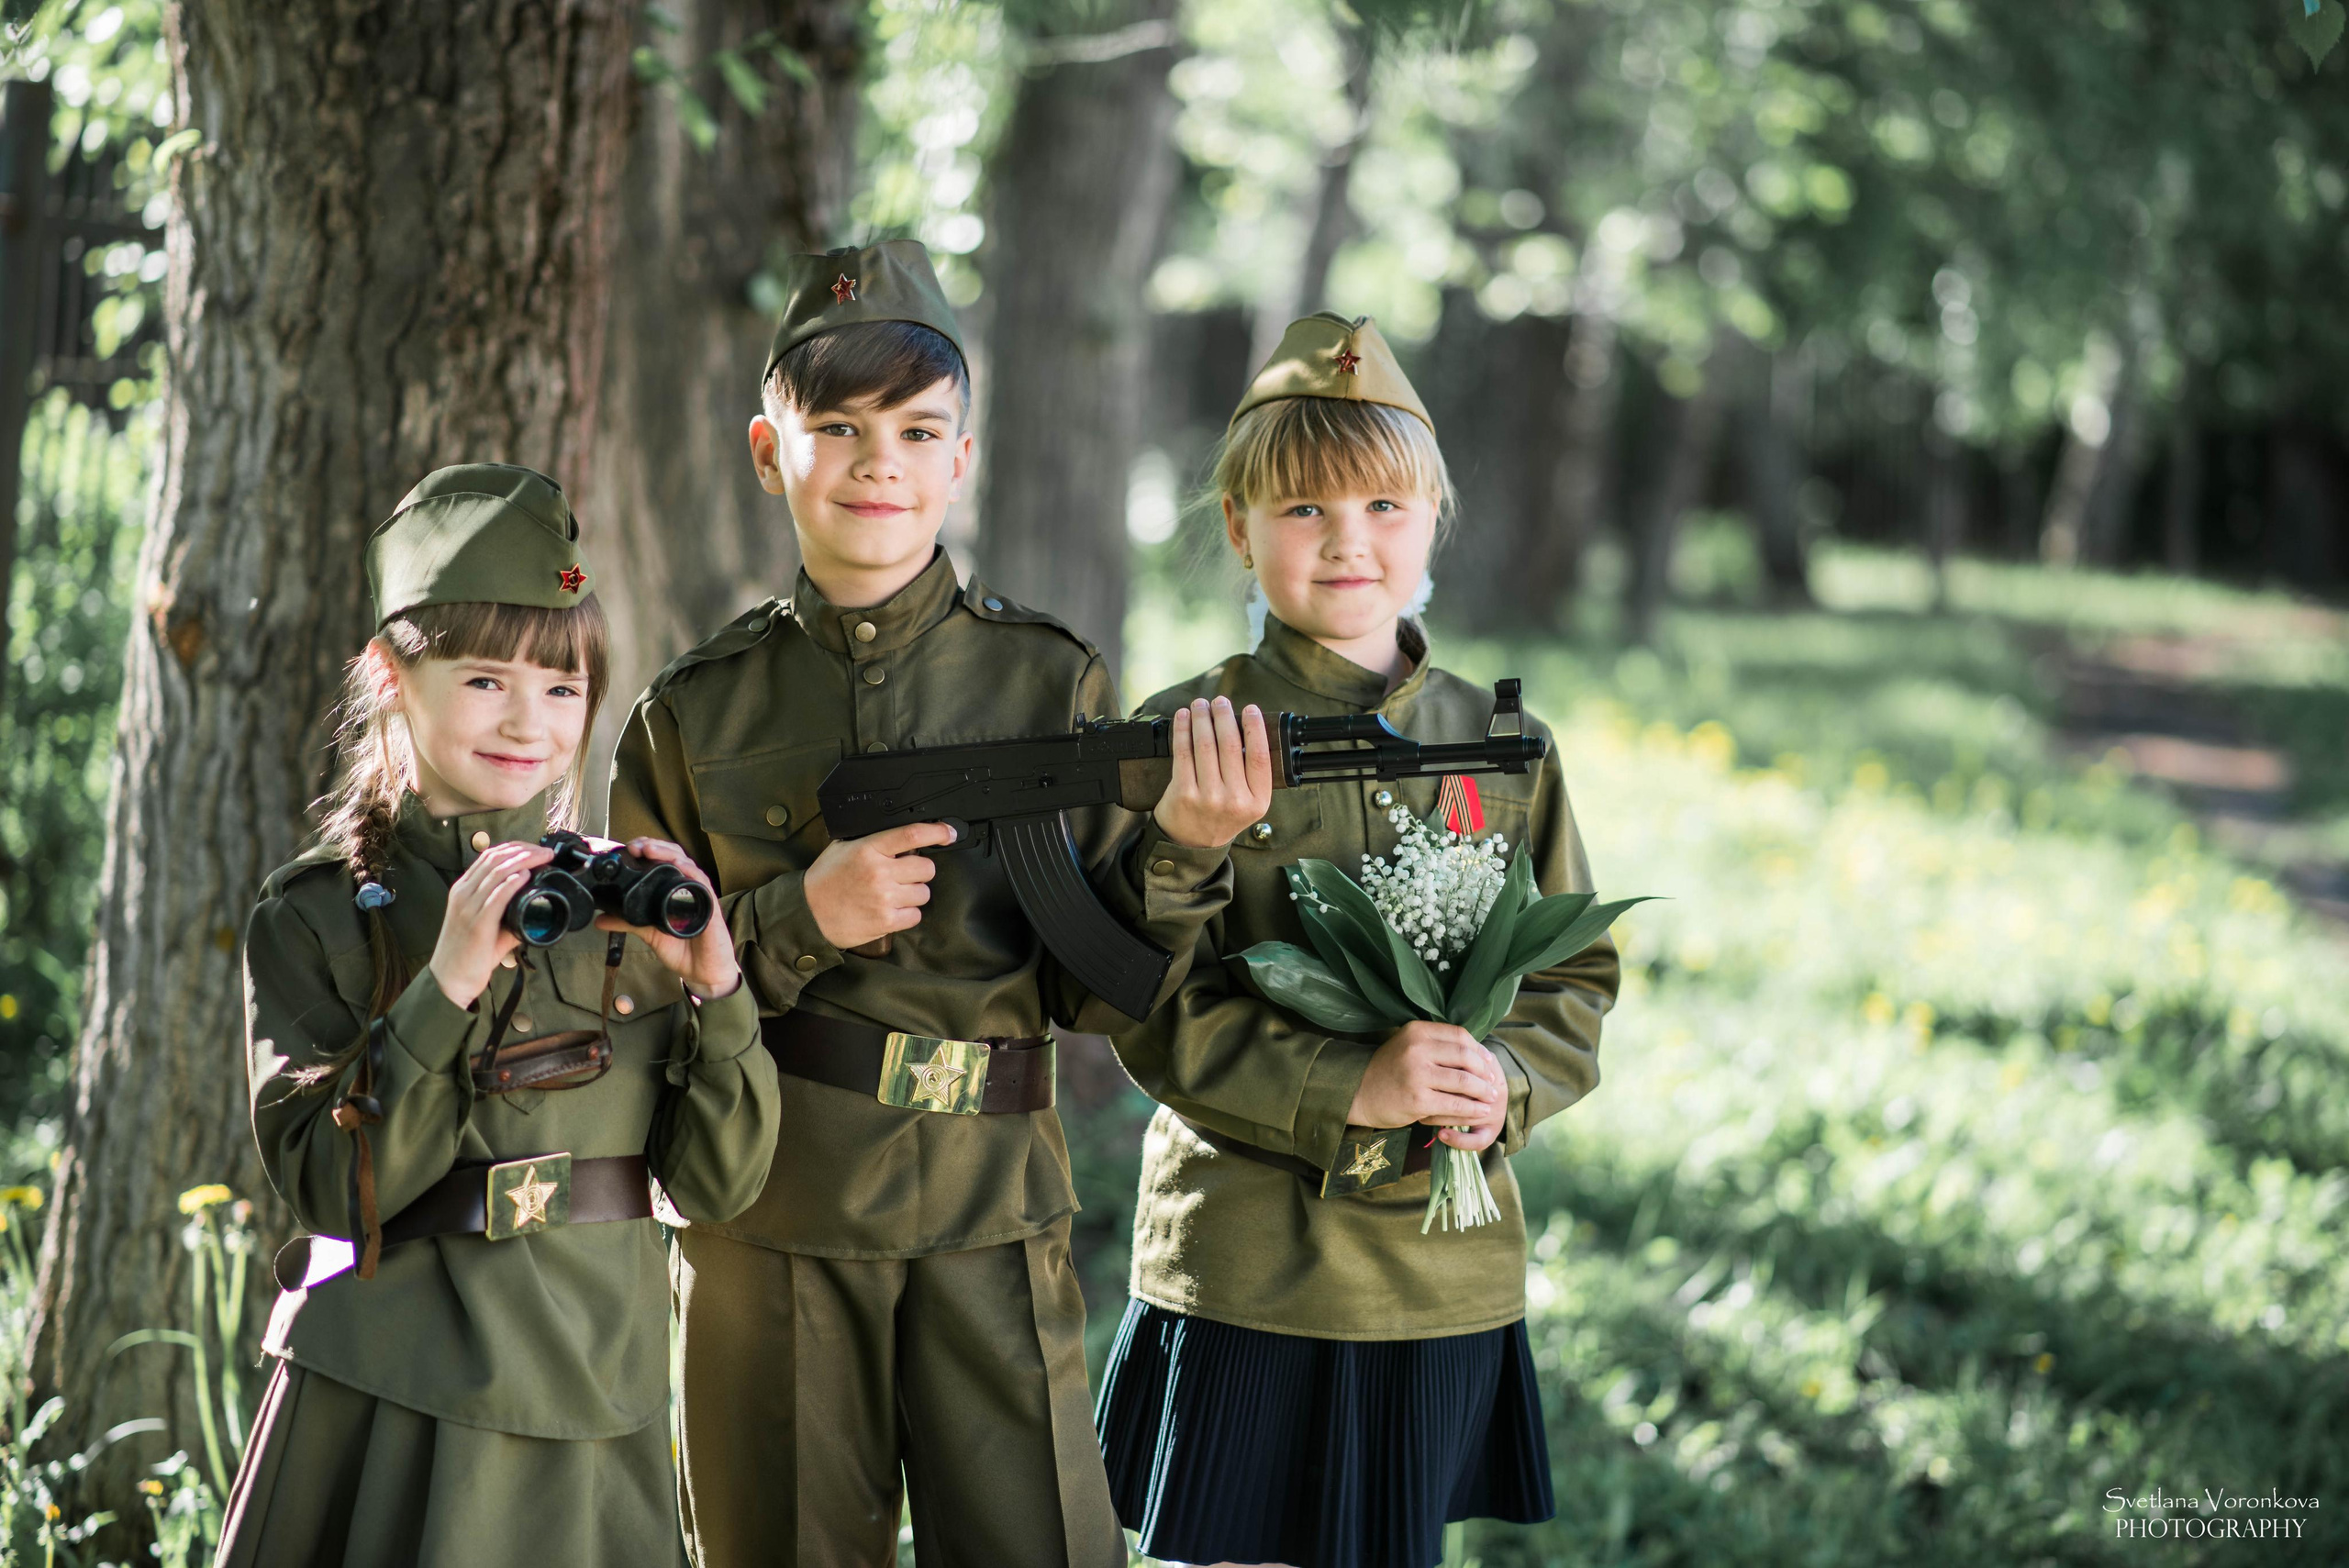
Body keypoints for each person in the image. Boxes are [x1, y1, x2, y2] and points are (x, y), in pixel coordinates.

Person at [605, 239, 1274, 1568]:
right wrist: (802, 916)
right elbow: (631, 998)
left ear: (960, 458)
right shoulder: (694, 710)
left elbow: (1096, 989)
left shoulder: (1048, 681)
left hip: (991, 1206)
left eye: (917, 430)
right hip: (773, 1211)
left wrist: (1189, 848)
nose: (878, 463)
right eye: (837, 429)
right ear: (765, 447)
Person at [1095, 313, 1623, 1568]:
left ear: (1434, 517)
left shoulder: (1505, 750)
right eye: (1303, 510)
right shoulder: (1183, 739)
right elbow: (1138, 999)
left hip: (1437, 1270)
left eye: (1387, 505)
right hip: (1245, 1265)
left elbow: (1572, 976)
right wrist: (1186, 844)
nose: (1349, 540)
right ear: (1237, 525)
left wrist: (1507, 1080)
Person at [219, 463, 780, 1568]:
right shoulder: (321, 917)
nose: (530, 719)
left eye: (564, 686)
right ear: (391, 674)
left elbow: (720, 1182)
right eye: (485, 680)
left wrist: (717, 980)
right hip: (390, 1391)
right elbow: (338, 1188)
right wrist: (447, 984)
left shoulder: (630, 910)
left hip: (597, 1392)